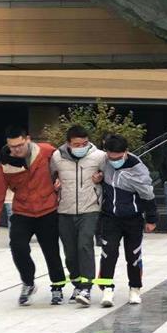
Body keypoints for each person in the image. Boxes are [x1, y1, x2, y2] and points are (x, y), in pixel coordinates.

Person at [0, 125, 68, 305]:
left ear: (28, 140)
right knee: (17, 247)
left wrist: (59, 180)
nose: (16, 150)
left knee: (51, 251)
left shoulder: (46, 151)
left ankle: (57, 286)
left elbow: (65, 164)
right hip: (22, 211)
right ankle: (28, 282)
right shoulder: (6, 163)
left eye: (19, 145)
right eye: (12, 146)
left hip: (47, 210)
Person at [95, 134, 158, 307]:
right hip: (110, 217)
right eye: (111, 157)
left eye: (118, 158)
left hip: (133, 218)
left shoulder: (138, 169)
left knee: (133, 255)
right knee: (108, 253)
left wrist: (151, 219)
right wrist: (98, 179)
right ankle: (107, 289)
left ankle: (135, 288)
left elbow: (148, 195)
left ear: (126, 152)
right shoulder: (104, 162)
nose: (114, 161)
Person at [50, 125, 105, 306]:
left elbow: (110, 176)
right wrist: (54, 184)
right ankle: (76, 283)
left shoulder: (99, 156)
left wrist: (101, 178)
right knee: (70, 251)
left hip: (90, 208)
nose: (81, 147)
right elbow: (50, 177)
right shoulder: (57, 157)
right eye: (76, 144)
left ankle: (86, 287)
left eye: (84, 143)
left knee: (84, 245)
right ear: (68, 143)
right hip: (64, 209)